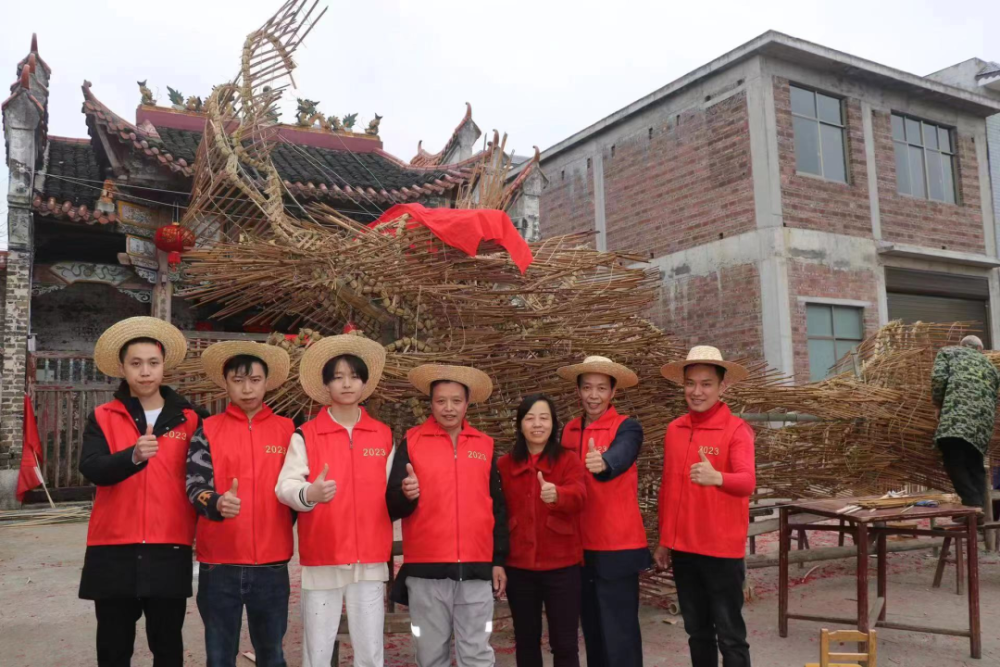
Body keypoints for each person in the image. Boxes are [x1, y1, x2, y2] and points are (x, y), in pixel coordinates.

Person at [78, 316, 206, 667]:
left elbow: (207, 476)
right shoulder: (103, 416)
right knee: (113, 647)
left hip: (170, 544)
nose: (145, 372)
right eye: (136, 364)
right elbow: (92, 468)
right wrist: (131, 456)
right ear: (122, 368)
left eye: (153, 363)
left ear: (164, 366)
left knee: (167, 646)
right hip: (112, 546)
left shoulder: (191, 418)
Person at [275, 334, 394, 667]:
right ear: (326, 384)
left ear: (365, 383)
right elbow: (285, 486)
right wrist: (309, 494)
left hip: (369, 559)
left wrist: (409, 490)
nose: (346, 384)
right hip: (323, 556)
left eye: (354, 376)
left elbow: (392, 492)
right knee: (318, 650)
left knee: (370, 652)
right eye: (338, 377)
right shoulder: (306, 434)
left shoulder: (383, 435)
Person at [386, 364, 509, 667]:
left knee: (477, 654)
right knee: (430, 656)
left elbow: (498, 507)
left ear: (468, 403)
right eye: (441, 401)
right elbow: (391, 504)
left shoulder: (484, 444)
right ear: (431, 403)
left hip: (477, 572)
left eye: (456, 400)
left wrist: (498, 560)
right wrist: (406, 493)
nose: (449, 408)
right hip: (425, 572)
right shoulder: (411, 442)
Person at [186, 342, 295, 667]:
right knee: (219, 658)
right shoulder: (206, 430)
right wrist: (216, 503)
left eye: (255, 380)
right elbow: (194, 486)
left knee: (272, 655)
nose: (247, 389)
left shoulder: (289, 431)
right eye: (238, 380)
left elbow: (297, 491)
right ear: (226, 382)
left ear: (267, 382)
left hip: (273, 564)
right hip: (219, 563)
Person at [656, 346, 755, 667]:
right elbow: (669, 488)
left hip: (721, 552)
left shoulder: (736, 430)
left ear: (722, 387)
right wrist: (665, 541)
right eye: (690, 383)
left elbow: (747, 482)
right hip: (685, 549)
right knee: (696, 631)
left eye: (706, 384)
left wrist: (717, 477)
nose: (696, 392)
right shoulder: (675, 430)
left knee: (730, 635)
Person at [556, 355, 650, 667]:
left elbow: (622, 455)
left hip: (617, 546)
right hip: (578, 548)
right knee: (593, 632)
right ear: (578, 391)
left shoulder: (628, 428)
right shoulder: (568, 431)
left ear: (613, 393)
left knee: (620, 634)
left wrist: (604, 462)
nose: (593, 395)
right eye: (587, 388)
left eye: (600, 388)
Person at [498, 394, 587, 667]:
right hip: (519, 566)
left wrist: (558, 495)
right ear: (520, 424)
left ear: (554, 424)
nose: (537, 424)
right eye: (530, 418)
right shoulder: (504, 465)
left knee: (564, 642)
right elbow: (496, 514)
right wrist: (497, 560)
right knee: (526, 640)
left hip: (562, 566)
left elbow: (580, 495)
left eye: (544, 418)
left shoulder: (568, 460)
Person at [931, 335, 1000, 517]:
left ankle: (971, 506)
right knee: (974, 464)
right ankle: (980, 512)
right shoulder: (991, 368)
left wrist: (938, 404)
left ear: (962, 345)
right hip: (982, 424)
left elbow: (938, 379)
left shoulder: (949, 352)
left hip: (956, 417)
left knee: (953, 459)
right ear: (979, 349)